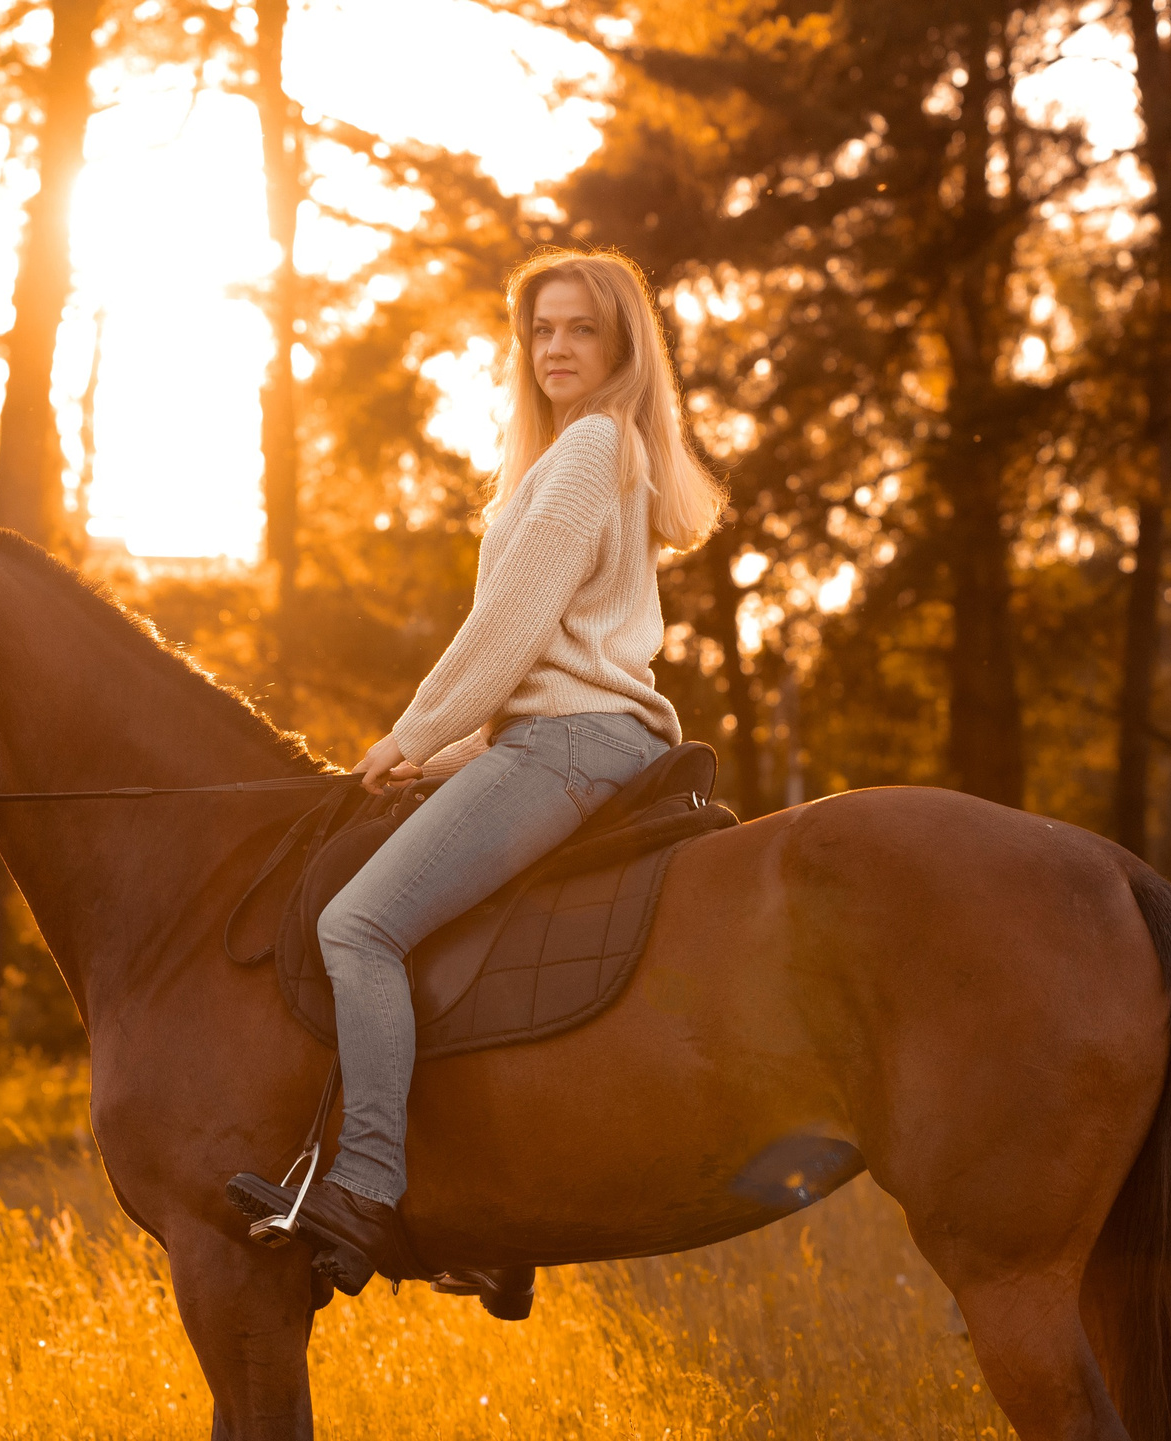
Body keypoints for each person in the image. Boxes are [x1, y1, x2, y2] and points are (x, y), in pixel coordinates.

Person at [282, 248, 727, 1282]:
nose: (556, 347)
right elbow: (553, 648)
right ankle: (487, 1210)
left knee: (357, 926)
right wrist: (451, 753)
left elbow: (513, 625)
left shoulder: (590, 446)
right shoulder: (592, 450)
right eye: (542, 330)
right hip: (573, 737)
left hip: (568, 742)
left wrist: (413, 734)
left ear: (621, 346)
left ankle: (366, 1184)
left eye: (581, 329)